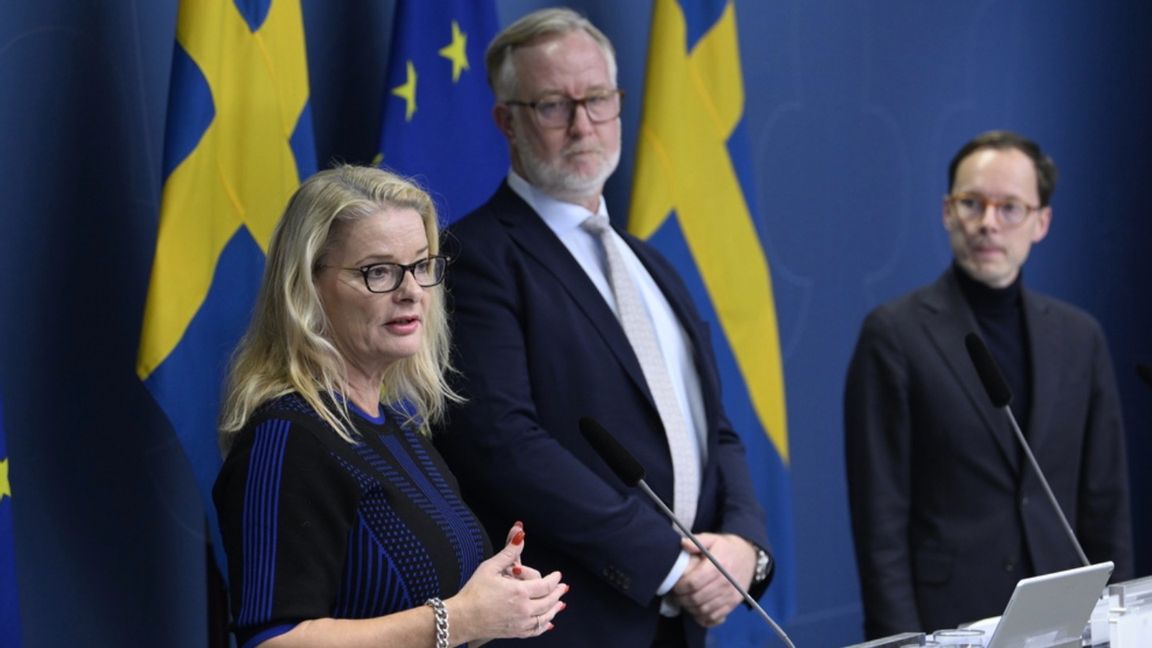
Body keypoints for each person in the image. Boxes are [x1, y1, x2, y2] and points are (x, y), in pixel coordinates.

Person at [432, 9, 773, 648]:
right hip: (571, 624)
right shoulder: (473, 257)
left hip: (683, 623)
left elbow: (714, 428)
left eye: (596, 100)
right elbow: (501, 444)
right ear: (506, 120)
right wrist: (671, 565)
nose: (583, 124)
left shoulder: (652, 263)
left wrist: (742, 548)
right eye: (553, 105)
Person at [212, 166, 567, 647]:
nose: (412, 291)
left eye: (421, 266)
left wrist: (498, 607)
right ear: (306, 287)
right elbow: (274, 640)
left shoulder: (401, 434)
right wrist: (460, 618)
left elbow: (431, 613)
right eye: (378, 271)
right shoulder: (288, 435)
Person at [844, 131, 1133, 638]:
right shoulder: (894, 334)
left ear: (1041, 221)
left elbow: (1105, 502)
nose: (987, 224)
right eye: (971, 203)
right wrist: (904, 639)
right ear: (946, 212)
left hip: (1066, 618)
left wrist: (1120, 623)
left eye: (1010, 208)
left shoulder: (1079, 337)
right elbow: (879, 524)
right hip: (949, 621)